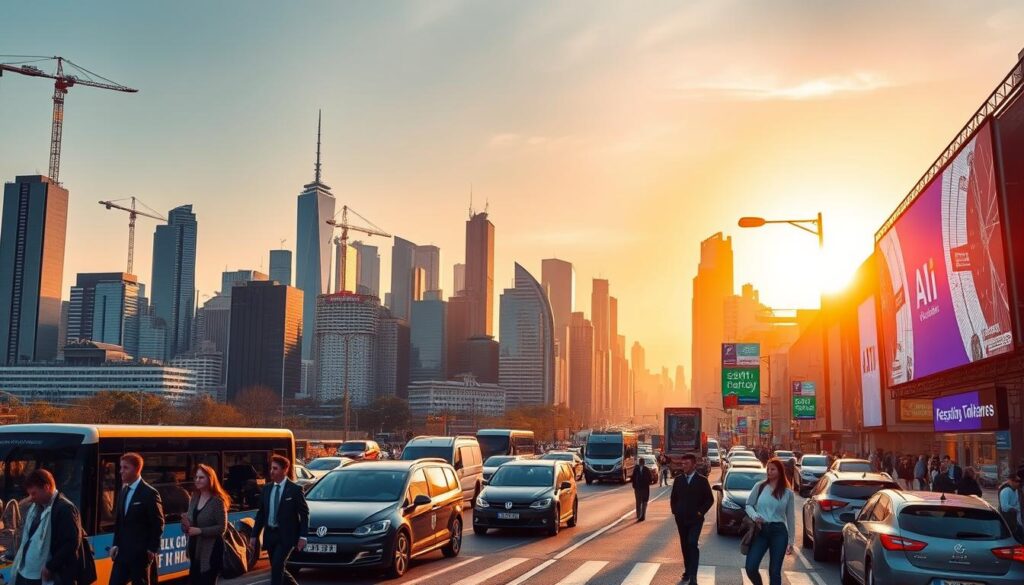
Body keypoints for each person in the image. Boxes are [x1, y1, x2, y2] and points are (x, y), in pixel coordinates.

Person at [11, 469, 91, 585]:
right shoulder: (36, 507)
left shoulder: (65, 509)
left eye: (34, 493)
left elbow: (71, 542)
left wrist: (51, 566)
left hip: (47, 575)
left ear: (47, 487)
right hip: (27, 572)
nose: (31, 498)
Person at [250, 455, 309, 585]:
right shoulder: (266, 489)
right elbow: (261, 514)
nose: (272, 471)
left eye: (275, 468)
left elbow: (304, 514)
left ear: (285, 469)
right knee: (277, 568)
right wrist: (254, 535)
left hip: (286, 537)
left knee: (277, 567)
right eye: (271, 468)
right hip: (270, 535)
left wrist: (303, 536)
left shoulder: (295, 490)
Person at [111, 452, 164, 585]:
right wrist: (115, 545)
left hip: (140, 555)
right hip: (122, 553)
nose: (120, 471)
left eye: (125, 468)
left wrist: (152, 549)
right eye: (121, 467)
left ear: (136, 469)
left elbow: (158, 523)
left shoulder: (149, 493)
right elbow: (119, 523)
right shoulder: (123, 491)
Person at [744, 459, 795, 585]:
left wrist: (791, 541)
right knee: (750, 567)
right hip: (761, 531)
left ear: (780, 472)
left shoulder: (788, 493)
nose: (769, 471)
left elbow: (791, 517)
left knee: (774, 572)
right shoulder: (760, 486)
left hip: (779, 532)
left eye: (772, 469)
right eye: (768, 469)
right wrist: (755, 516)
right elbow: (748, 505)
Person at [669, 453, 713, 584]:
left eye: (686, 464)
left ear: (694, 465)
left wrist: (700, 512)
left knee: (692, 543)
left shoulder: (702, 480)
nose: (684, 466)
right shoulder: (678, 480)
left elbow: (709, 499)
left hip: (695, 520)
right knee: (684, 544)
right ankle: (688, 570)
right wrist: (676, 511)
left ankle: (693, 575)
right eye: (682, 464)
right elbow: (674, 498)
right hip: (681, 519)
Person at [183, 464, 229, 585]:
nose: (197, 480)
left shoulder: (217, 501)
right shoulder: (194, 497)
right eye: (196, 477)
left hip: (211, 550)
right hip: (195, 548)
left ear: (210, 479)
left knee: (206, 580)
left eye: (201, 477)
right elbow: (190, 520)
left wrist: (200, 531)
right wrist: (185, 525)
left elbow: (222, 528)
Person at [998, 473, 1022, 542]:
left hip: (1016, 520)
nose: (1018, 483)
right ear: (1011, 481)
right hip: (1007, 519)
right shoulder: (1006, 491)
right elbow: (1004, 507)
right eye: (1016, 481)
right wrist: (1015, 509)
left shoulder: (1016, 490)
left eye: (1019, 481)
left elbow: (1017, 503)